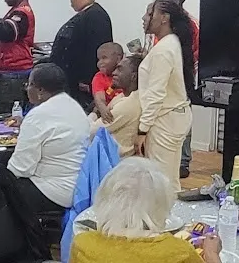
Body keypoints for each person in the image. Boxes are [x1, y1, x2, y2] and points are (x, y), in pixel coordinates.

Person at [70, 157, 222, 263]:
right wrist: (211, 255)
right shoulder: (178, 253)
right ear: (163, 206)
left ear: (104, 198)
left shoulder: (82, 245)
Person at [7, 62, 90, 214]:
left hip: (52, 192)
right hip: (79, 188)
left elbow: (20, 169)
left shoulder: (38, 115)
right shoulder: (74, 106)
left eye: (29, 85)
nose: (26, 89)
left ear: (40, 90)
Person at [134, 0, 192, 189]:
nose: (144, 18)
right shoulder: (169, 43)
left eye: (150, 13)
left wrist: (142, 130)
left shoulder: (164, 49)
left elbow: (156, 94)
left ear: (164, 18)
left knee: (162, 181)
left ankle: (167, 209)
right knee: (169, 178)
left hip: (165, 121)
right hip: (172, 117)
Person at [50, 0, 115, 110]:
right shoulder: (87, 15)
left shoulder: (96, 16)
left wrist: (87, 80)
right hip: (71, 83)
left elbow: (97, 51)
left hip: (84, 86)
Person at [163, 0, 199, 179]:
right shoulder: (160, 22)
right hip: (161, 80)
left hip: (182, 80)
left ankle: (183, 162)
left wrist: (180, 71)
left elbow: (196, 54)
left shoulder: (190, 24)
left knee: (183, 117)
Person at [89, 55, 142, 158]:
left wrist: (93, 114)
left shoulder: (129, 104)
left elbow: (91, 131)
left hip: (115, 162)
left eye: (120, 69)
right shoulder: (123, 96)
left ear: (133, 76)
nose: (114, 73)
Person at [90, 43, 124, 123]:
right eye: (98, 59)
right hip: (110, 114)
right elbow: (99, 99)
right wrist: (103, 109)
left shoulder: (127, 74)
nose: (100, 63)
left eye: (104, 58)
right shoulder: (99, 77)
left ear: (118, 58)